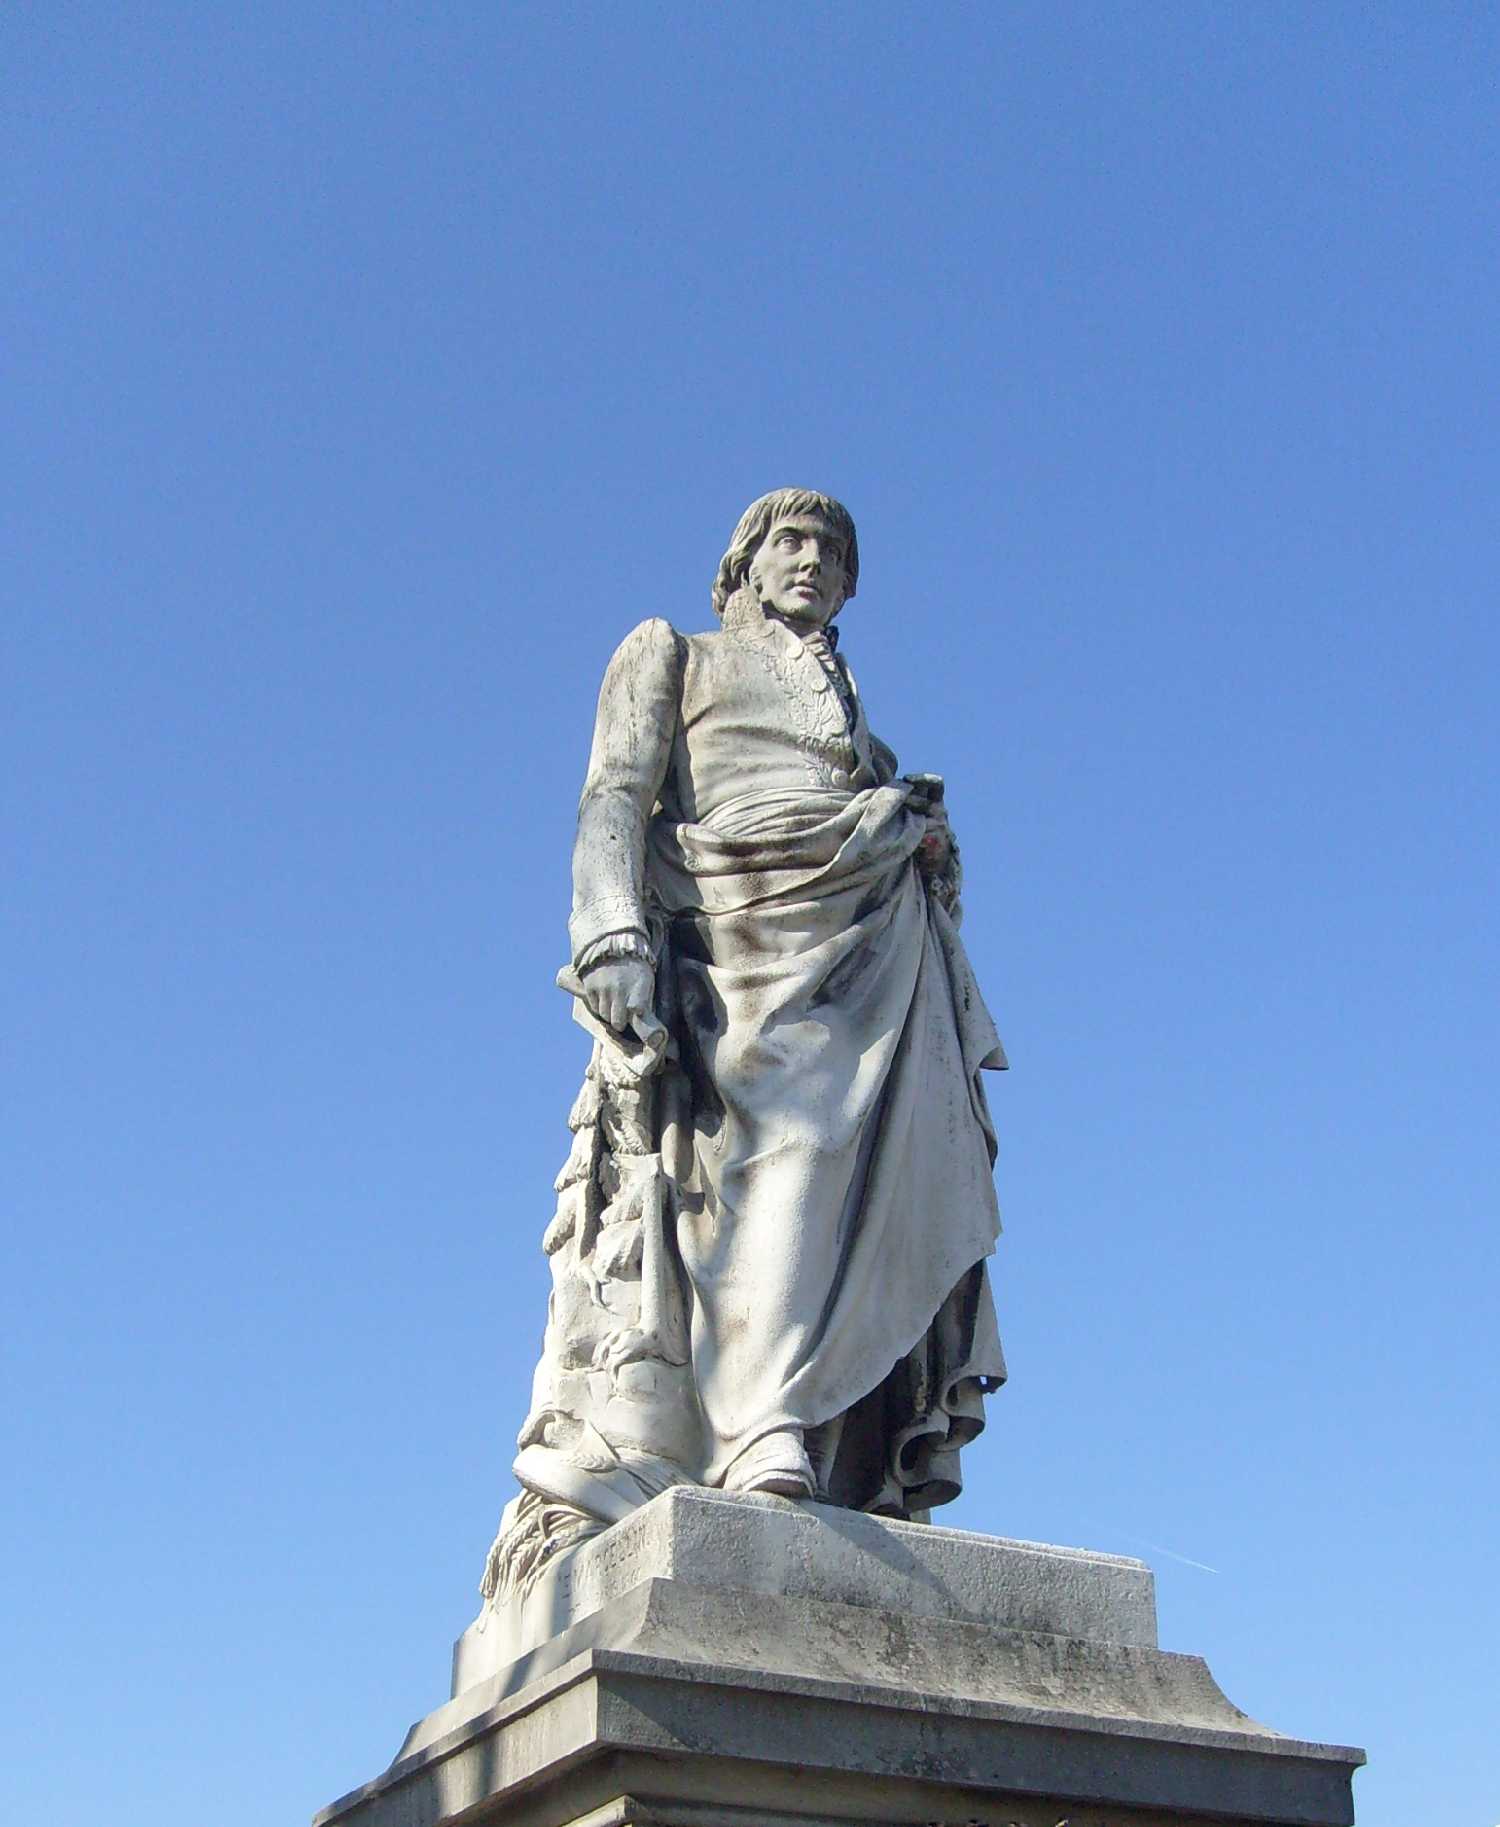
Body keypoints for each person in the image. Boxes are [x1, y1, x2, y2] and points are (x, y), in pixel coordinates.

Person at [484, 489, 1006, 1600]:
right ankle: (756, 1416)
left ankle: (817, 1429)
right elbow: (614, 797)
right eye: (791, 542)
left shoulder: (864, 738)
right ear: (746, 566)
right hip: (733, 938)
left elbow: (914, 850)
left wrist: (922, 843)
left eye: (833, 552)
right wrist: (611, 930)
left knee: (889, 1177)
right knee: (789, 1148)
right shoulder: (674, 654)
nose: (812, 561)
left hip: (867, 939)